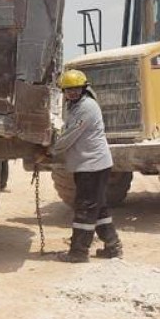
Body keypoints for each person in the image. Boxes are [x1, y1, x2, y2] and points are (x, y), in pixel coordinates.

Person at [50, 69, 122, 262]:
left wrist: (50, 150)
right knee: (99, 208)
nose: (72, 93)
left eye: (75, 89)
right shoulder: (74, 106)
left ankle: (79, 252)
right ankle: (112, 246)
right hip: (89, 165)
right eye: (68, 90)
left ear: (84, 88)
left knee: (85, 208)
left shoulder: (86, 107)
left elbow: (70, 135)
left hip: (93, 166)